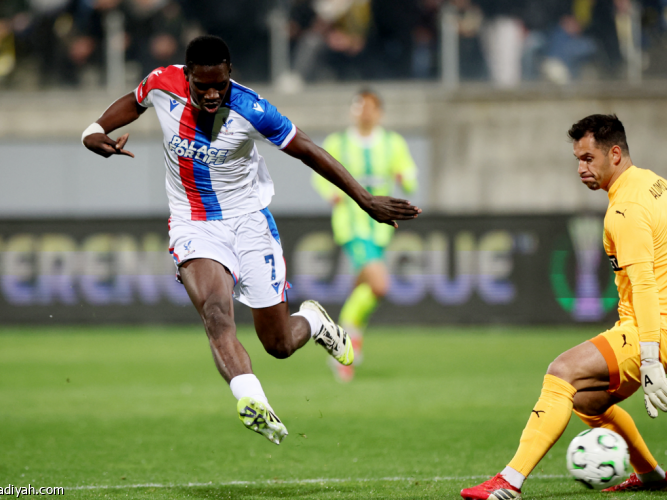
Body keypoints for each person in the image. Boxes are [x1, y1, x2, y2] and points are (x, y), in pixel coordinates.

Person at [81, 35, 420, 446]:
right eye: (202, 86)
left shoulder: (252, 109)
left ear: (230, 74)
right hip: (193, 224)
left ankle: (314, 321)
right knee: (215, 312)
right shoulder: (162, 83)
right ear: (186, 77)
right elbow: (133, 101)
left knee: (278, 344)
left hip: (248, 223)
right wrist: (94, 130)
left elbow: (308, 149)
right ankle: (252, 399)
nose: (212, 94)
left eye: (219, 85)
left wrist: (364, 199)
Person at [459, 114, 667, 499]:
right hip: (664, 329)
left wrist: (650, 359)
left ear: (614, 154)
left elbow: (644, 284)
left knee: (561, 371)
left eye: (588, 158)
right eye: (577, 159)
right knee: (586, 400)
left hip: (654, 331)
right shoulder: (658, 184)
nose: (581, 168)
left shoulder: (625, 210)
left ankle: (508, 482)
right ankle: (651, 475)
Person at [312, 89, 417, 382]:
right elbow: (319, 173)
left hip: (381, 228)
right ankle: (347, 343)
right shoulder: (338, 143)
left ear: (379, 112)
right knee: (380, 285)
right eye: (359, 107)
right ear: (352, 111)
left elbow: (410, 176)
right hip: (352, 227)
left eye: (369, 107)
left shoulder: (393, 143)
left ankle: (342, 344)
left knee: (364, 289)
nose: (364, 112)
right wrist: (330, 193)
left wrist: (405, 179)